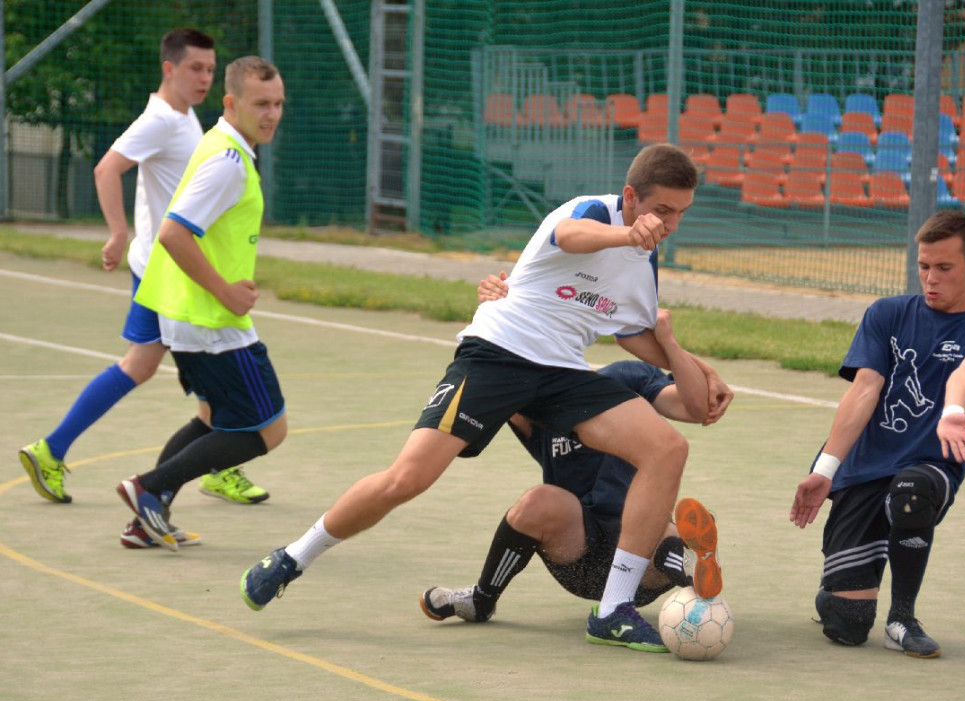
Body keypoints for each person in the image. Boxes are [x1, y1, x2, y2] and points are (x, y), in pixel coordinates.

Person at [242, 143, 707, 652]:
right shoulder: (594, 212)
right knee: (406, 479)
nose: (671, 224)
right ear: (631, 197)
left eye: (682, 214)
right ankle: (292, 557)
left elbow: (633, 332)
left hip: (562, 372)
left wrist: (693, 366)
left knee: (667, 449)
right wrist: (626, 233)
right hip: (498, 356)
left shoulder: (646, 258)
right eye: (662, 211)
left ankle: (613, 609)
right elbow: (570, 236)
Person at [17, 29, 271, 541]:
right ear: (169, 69)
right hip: (169, 270)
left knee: (166, 369)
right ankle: (59, 451)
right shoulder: (160, 119)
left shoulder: (185, 118)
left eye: (209, 68)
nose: (202, 77)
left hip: (170, 267)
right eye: (194, 68)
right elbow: (108, 168)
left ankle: (191, 473)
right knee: (158, 366)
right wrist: (117, 233)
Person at [419, 285, 734, 626]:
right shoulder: (534, 397)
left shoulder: (624, 379)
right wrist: (494, 315)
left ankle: (692, 572)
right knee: (540, 500)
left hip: (641, 558)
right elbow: (489, 373)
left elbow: (696, 407)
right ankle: (481, 599)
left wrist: (669, 344)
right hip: (576, 553)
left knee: (669, 530)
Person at [790, 210, 965, 659]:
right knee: (845, 623)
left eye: (945, 268)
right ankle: (846, 584)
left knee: (911, 492)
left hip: (929, 465)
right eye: (924, 266)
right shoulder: (887, 313)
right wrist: (825, 470)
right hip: (865, 469)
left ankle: (902, 617)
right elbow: (864, 391)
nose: (931, 279)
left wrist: (953, 411)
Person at [115, 56, 288, 551]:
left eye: (278, 103)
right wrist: (226, 291)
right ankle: (148, 487)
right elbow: (173, 233)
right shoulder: (228, 162)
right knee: (267, 430)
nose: (272, 113)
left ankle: (148, 517)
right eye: (261, 103)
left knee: (213, 420)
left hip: (189, 317)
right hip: (213, 322)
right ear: (231, 103)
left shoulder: (224, 145)